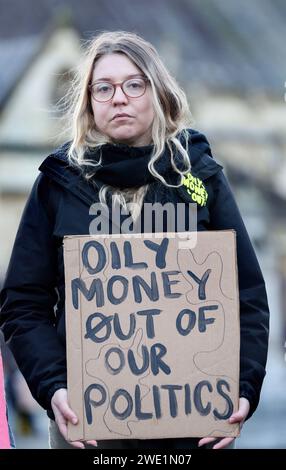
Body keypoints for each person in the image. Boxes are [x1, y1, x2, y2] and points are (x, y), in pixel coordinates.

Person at [0, 31, 269, 450]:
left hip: (194, 429)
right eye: (103, 88)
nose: (118, 98)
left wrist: (243, 390)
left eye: (133, 84)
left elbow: (247, 294)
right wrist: (54, 389)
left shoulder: (201, 176)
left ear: (157, 92)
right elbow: (22, 303)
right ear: (89, 102)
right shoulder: (58, 184)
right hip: (87, 431)